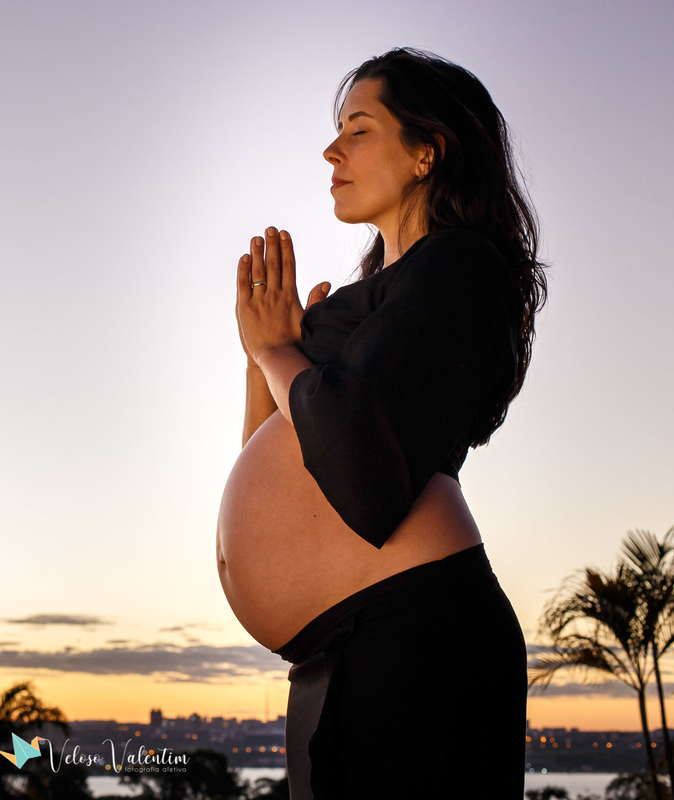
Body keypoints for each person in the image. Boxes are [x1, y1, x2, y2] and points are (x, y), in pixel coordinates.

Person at [217, 47, 547, 798]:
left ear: (426, 151)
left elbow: (362, 476)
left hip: (414, 641)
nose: (332, 150)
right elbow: (281, 466)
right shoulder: (376, 299)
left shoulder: (459, 265)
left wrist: (278, 352)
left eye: (358, 130)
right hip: (346, 652)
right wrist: (261, 361)